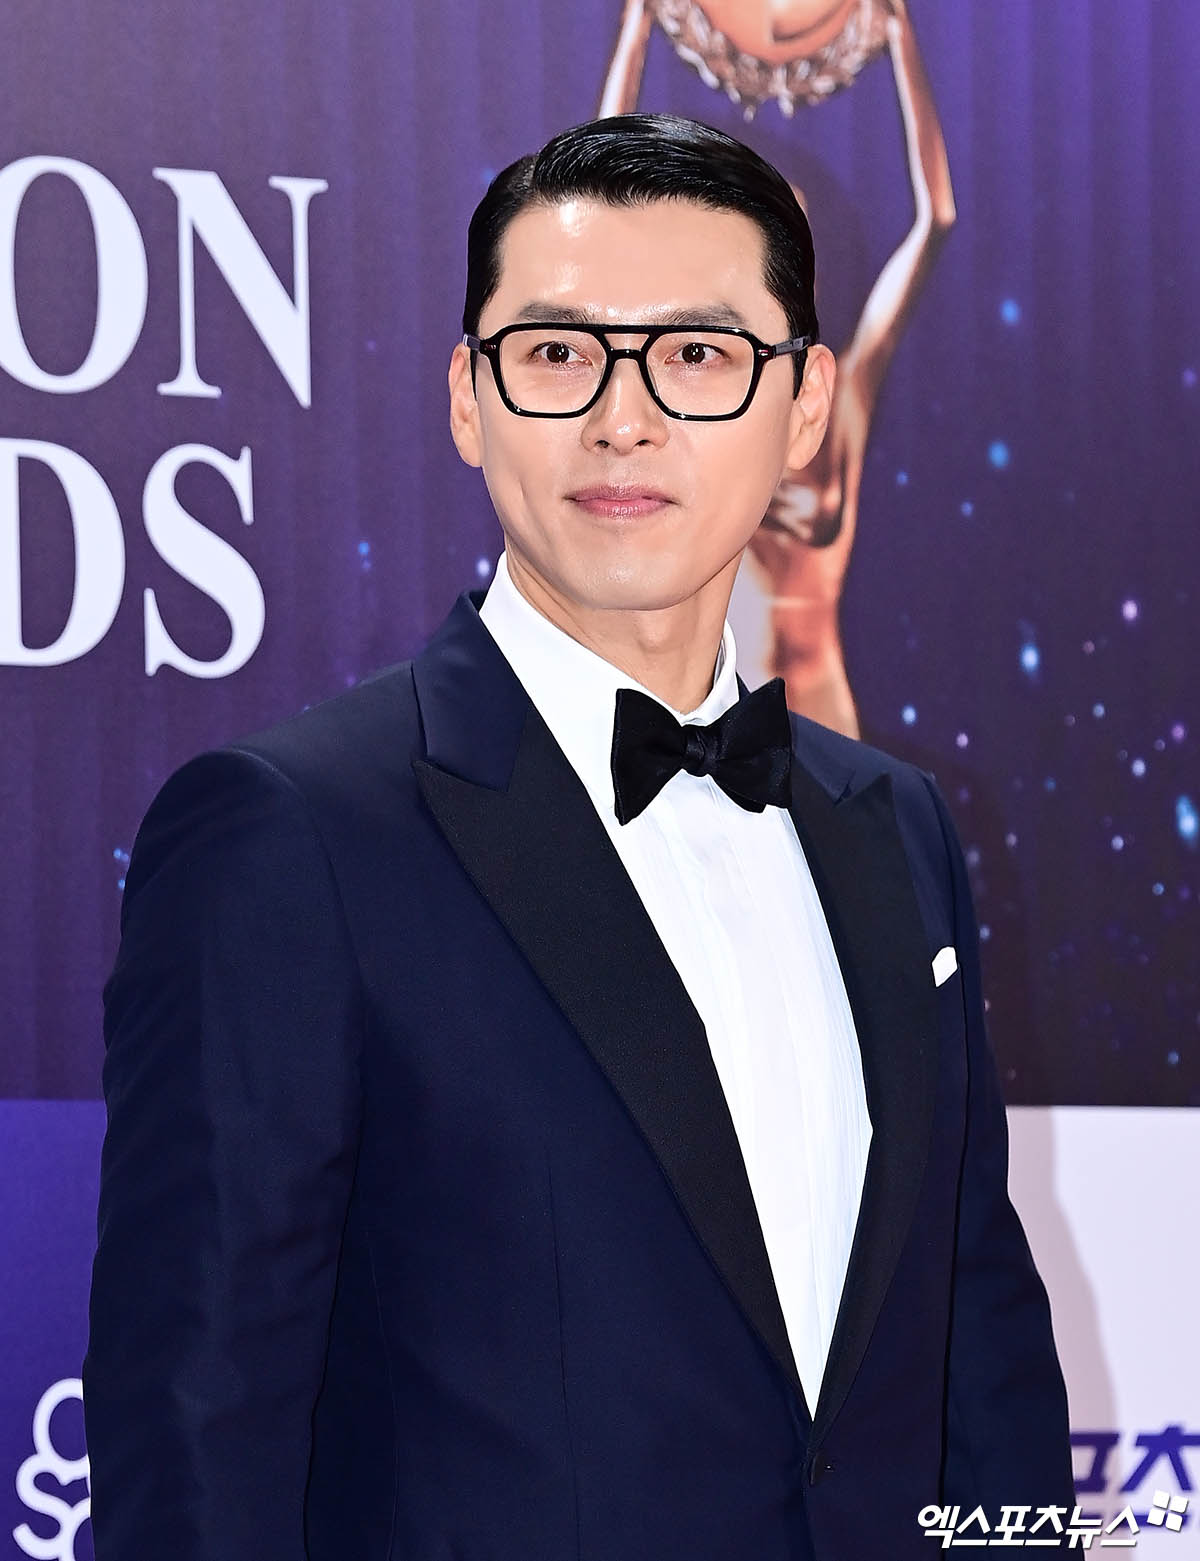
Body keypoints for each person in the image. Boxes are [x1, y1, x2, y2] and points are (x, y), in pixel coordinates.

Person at [84, 113, 1073, 1560]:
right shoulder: (292, 837)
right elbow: (196, 1435)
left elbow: (981, 1361)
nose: (625, 418)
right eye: (557, 353)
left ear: (806, 406)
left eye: (699, 354)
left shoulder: (896, 827)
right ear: (468, 400)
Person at [598, 0, 957, 736]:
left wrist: (902, 43)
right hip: (713, 724)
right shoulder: (683, 397)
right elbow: (599, 213)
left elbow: (936, 219)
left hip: (825, 722)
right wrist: (637, 27)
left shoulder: (840, 392)